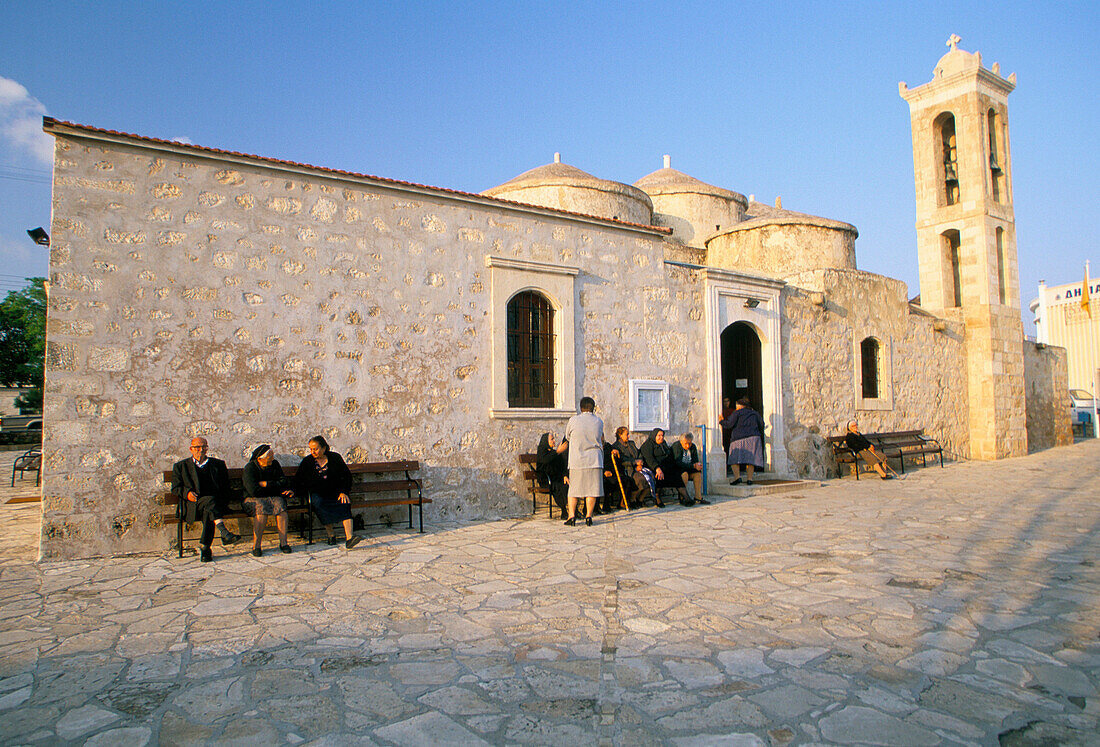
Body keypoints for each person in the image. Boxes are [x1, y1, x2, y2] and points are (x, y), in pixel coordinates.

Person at [170, 437, 241, 562]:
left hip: (214, 504)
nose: (201, 450)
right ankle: (219, 535)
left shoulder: (218, 464)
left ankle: (206, 547)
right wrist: (187, 494)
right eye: (197, 447)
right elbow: (175, 488)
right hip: (193, 505)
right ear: (191, 449)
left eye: (204, 447)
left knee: (210, 508)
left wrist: (223, 501)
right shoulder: (181, 466)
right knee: (210, 504)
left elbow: (225, 487)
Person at [295, 436, 362, 548]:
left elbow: (346, 476)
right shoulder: (307, 462)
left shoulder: (335, 458)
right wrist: (293, 490)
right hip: (317, 494)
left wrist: (343, 491)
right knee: (319, 503)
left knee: (344, 501)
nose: (313, 452)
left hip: (335, 492)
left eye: (316, 449)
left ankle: (350, 538)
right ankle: (331, 535)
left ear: (324, 448)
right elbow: (299, 480)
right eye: (311, 449)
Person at [242, 444, 295, 556]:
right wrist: (275, 488)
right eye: (269, 458)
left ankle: (284, 543)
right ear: (260, 459)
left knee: (280, 506)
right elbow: (253, 491)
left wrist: (267, 484)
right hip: (252, 499)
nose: (272, 459)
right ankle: (256, 545)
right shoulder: (250, 468)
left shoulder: (274, 465)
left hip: (272, 497)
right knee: (261, 508)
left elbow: (283, 481)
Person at [558, 396, 603, 526]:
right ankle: (589, 516)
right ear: (593, 408)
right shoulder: (599, 421)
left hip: (577, 460)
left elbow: (567, 436)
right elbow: (600, 436)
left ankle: (571, 517)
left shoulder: (573, 420)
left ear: (581, 407)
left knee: (574, 490)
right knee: (592, 489)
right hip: (594, 459)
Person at [610, 427, 658, 508]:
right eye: (627, 434)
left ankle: (640, 499)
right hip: (628, 469)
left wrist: (640, 463)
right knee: (640, 479)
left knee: (651, 478)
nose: (629, 436)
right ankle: (632, 499)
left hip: (638, 467)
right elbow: (622, 460)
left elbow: (639, 453)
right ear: (620, 435)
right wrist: (634, 462)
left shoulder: (631, 444)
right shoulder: (616, 446)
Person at [640, 428, 690, 505]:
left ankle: (686, 497)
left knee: (676, 474)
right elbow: (649, 459)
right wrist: (657, 468)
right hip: (653, 467)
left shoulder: (663, 444)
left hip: (665, 466)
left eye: (662, 435)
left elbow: (669, 455)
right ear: (654, 436)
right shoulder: (647, 445)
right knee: (660, 474)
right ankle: (657, 497)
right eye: (659, 435)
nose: (661, 437)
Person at [724, 398, 766, 485]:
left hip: (738, 438)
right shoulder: (754, 413)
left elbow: (729, 424)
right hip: (754, 438)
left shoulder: (737, 413)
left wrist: (721, 421)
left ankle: (737, 478)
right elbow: (762, 424)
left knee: (734, 458)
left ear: (740, 405)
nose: (736, 407)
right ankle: (749, 479)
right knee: (751, 459)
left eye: (737, 405)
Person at [535, 432, 569, 519]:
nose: (554, 441)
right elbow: (545, 460)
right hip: (545, 479)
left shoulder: (554, 453)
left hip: (555, 478)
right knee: (558, 486)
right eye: (552, 439)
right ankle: (564, 510)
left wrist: (565, 475)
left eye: (554, 439)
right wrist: (558, 451)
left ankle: (572, 510)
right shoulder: (542, 452)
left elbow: (562, 465)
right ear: (546, 441)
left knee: (566, 485)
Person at [670, 432, 710, 505]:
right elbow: (678, 463)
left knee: (697, 474)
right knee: (684, 475)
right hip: (678, 471)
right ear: (681, 442)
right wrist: (693, 466)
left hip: (689, 469)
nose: (688, 445)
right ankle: (683, 497)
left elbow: (695, 460)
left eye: (690, 443)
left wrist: (697, 465)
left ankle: (698, 497)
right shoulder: (676, 446)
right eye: (686, 443)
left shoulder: (693, 447)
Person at [720, 396, 735, 462]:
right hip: (724, 432)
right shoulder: (721, 411)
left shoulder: (733, 411)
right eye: (724, 401)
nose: (726, 403)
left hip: (731, 432)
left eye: (727, 401)